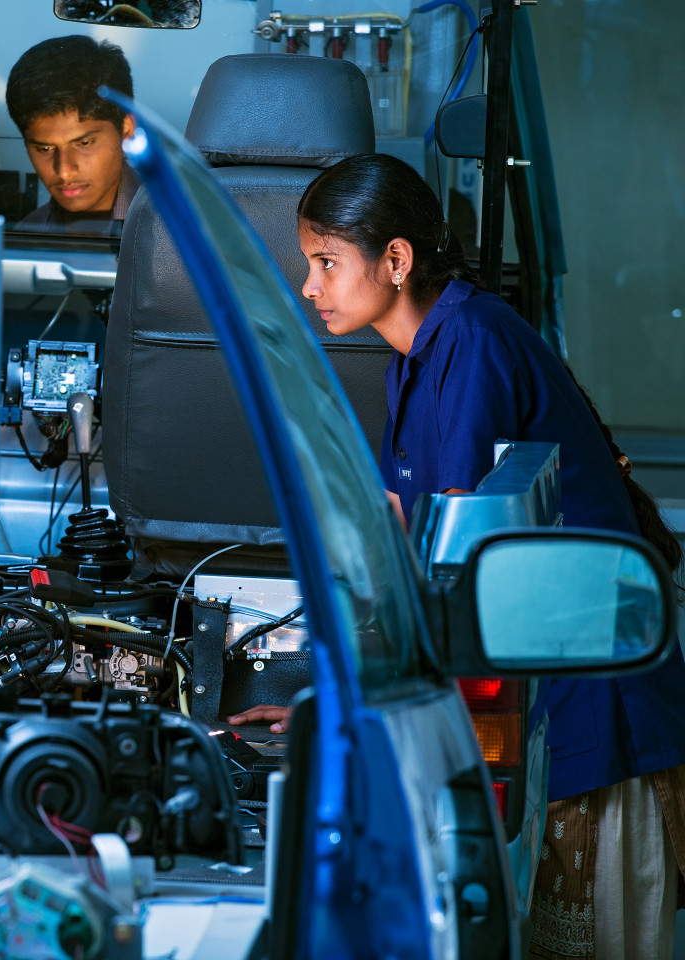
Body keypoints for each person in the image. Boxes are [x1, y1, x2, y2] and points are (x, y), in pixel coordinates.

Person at [285, 152, 685, 959]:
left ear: (395, 261)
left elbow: (451, 565)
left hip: (592, 719)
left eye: (326, 263)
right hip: (544, 711)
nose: (309, 288)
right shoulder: (421, 355)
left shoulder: (469, 343)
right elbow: (409, 532)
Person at [4, 36, 138, 234]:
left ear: (126, 128)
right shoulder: (26, 237)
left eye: (84, 143)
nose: (65, 171)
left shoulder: (181, 228)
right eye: (45, 148)